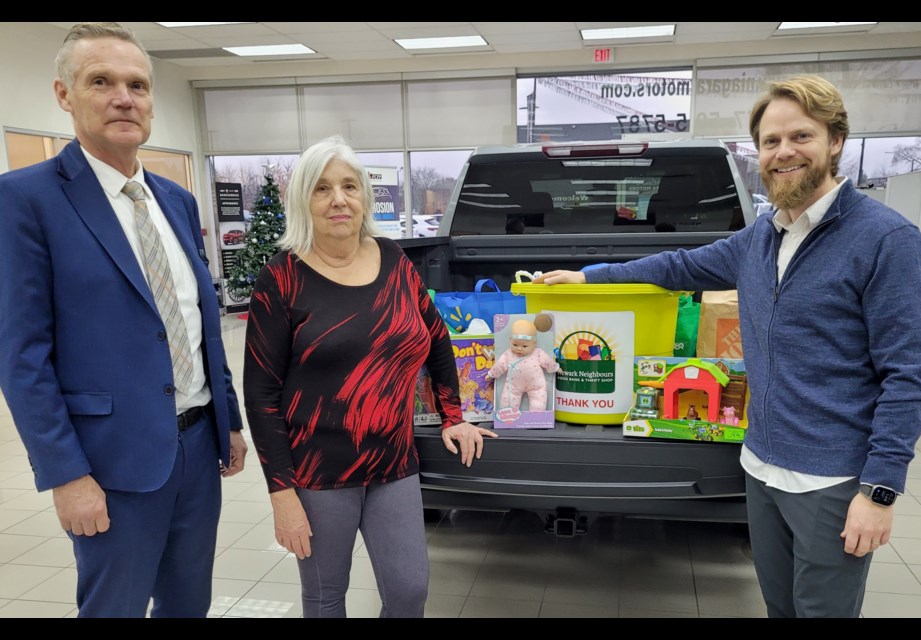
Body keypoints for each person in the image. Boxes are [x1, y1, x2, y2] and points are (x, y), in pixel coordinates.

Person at [534, 74, 921, 618]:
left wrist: (880, 491)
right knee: (778, 605)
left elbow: (908, 376)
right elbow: (676, 266)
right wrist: (591, 277)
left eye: (801, 137)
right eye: (771, 142)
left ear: (835, 141)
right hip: (761, 466)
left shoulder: (887, 241)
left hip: (831, 479)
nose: (783, 152)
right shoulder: (762, 237)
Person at [0, 23, 248, 617]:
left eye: (137, 84)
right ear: (65, 94)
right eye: (101, 82)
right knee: (115, 607)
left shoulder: (176, 200)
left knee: (189, 604)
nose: (123, 98)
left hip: (196, 450)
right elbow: (22, 356)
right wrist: (66, 475)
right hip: (110, 463)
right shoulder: (26, 200)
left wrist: (228, 419)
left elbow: (198, 324)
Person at [243, 134, 498, 618]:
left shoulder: (394, 260)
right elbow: (261, 394)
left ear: (364, 195)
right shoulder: (280, 279)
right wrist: (282, 493)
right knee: (325, 599)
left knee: (408, 593)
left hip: (393, 465)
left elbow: (438, 341)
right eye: (321, 189)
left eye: (349, 186)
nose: (339, 199)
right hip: (318, 473)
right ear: (304, 200)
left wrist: (454, 417)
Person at [486, 318, 560, 411]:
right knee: (508, 402)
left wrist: (556, 368)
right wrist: (491, 374)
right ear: (510, 340)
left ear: (534, 343)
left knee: (539, 403)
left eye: (524, 346)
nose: (519, 349)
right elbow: (500, 364)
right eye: (515, 345)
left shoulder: (538, 353)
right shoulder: (508, 354)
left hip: (536, 385)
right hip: (514, 385)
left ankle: (536, 420)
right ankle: (507, 417)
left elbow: (547, 362)